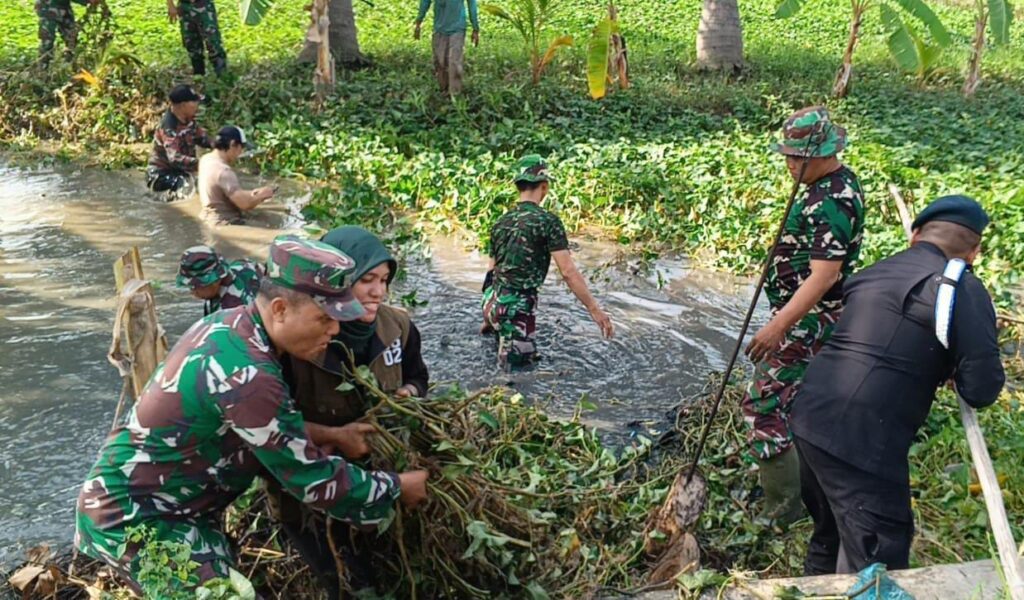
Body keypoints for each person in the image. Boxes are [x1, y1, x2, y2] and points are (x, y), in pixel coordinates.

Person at [75, 235, 430, 592]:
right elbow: (311, 480)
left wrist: (333, 435)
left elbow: (262, 428)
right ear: (279, 309)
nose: (335, 330)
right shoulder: (248, 376)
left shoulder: (232, 326)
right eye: (324, 318)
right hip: (139, 518)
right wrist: (398, 487)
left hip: (183, 510)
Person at [790, 195, 1005, 575]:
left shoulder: (874, 272)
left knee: (831, 533)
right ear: (975, 252)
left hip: (809, 416)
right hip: (861, 439)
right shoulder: (960, 289)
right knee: (876, 555)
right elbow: (982, 388)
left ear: (915, 235)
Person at [272, 225, 429, 594]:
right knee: (338, 573)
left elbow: (419, 377)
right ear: (337, 284)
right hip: (313, 475)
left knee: (380, 558)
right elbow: (274, 427)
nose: (379, 291)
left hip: (376, 467)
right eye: (367, 280)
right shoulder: (301, 338)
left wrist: (408, 392)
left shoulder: (399, 327)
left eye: (385, 279)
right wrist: (334, 436)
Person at [742, 106, 865, 526]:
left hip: (810, 319)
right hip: (804, 315)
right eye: (788, 155)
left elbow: (825, 275)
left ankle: (781, 512)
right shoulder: (824, 184)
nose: (790, 164)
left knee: (763, 406)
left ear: (826, 154)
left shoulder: (835, 197)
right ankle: (794, 485)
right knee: (797, 404)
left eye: (798, 157)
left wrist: (779, 326)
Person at [482, 154, 614, 368]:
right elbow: (568, 272)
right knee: (517, 377)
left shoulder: (501, 222)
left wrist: (489, 317)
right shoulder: (547, 221)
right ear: (544, 186)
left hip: (492, 303)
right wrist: (594, 309)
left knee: (512, 359)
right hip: (517, 309)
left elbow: (491, 270)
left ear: (519, 186)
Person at [198, 125, 275, 225]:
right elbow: (244, 204)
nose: (241, 153)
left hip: (207, 218)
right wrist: (263, 195)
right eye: (241, 148)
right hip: (225, 222)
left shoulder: (205, 159)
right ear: (233, 144)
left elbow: (223, 194)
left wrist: (252, 193)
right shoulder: (224, 172)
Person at [146, 85, 211, 201]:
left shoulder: (189, 120)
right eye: (195, 102)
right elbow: (174, 158)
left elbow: (202, 138)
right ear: (183, 105)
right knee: (188, 188)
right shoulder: (168, 128)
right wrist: (203, 163)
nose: (198, 105)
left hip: (181, 171)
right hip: (160, 175)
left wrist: (222, 144)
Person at [176, 245, 266, 315]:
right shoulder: (243, 265)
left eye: (195, 286)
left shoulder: (229, 311)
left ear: (215, 281)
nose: (192, 291)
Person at [414, 0, 479, 96]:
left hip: (457, 28)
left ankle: (455, 94)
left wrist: (475, 28)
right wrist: (418, 22)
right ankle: (444, 91)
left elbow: (471, 4)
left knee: (454, 62)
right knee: (440, 62)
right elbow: (425, 2)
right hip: (439, 28)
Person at [167, 0, 227, 76]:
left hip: (204, 4)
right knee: (192, 44)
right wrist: (170, 5)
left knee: (213, 41)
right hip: (184, 6)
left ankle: (222, 77)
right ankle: (199, 76)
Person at [35, 0, 97, 68]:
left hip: (63, 7)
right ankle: (43, 68)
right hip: (47, 7)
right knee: (47, 39)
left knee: (71, 37)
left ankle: (69, 64)